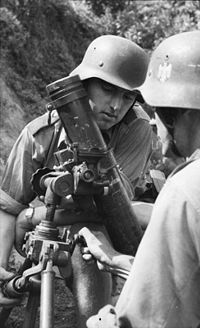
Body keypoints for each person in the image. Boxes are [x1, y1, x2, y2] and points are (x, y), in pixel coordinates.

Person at [0, 35, 153, 326]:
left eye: (127, 96)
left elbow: (116, 206)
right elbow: (7, 206)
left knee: (91, 279)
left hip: (107, 228)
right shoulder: (41, 133)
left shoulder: (137, 127)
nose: (116, 106)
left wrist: (32, 215)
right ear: (84, 83)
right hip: (56, 226)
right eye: (108, 89)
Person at [78, 30, 200, 328]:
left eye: (156, 111)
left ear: (178, 113)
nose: (153, 124)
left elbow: (152, 320)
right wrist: (120, 261)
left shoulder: (189, 190)